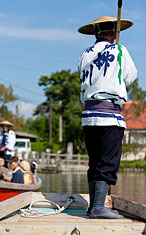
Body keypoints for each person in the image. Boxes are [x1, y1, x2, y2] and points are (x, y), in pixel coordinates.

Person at [78, 16, 137, 219]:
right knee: (107, 163)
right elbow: (130, 77)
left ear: (95, 33)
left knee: (94, 162)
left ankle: (93, 207)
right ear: (114, 33)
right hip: (109, 115)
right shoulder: (120, 50)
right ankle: (97, 208)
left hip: (88, 115)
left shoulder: (84, 54)